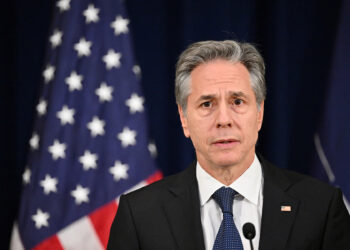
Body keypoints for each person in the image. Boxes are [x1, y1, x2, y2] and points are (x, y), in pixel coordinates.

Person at [107, 40, 350, 250]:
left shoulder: (321, 208)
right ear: (184, 119)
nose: (223, 119)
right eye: (206, 104)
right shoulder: (139, 214)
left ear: (259, 113)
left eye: (237, 101)